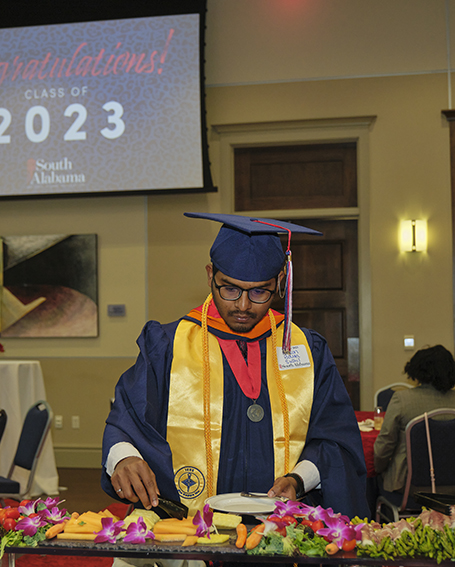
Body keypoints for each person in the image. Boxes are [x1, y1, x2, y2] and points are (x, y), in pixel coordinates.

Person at [101, 212, 369, 519]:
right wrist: (124, 457)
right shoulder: (167, 345)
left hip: (281, 526)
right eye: (229, 289)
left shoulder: (309, 350)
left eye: (259, 291)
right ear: (209, 275)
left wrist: (298, 479)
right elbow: (126, 420)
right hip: (191, 530)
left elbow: (334, 439)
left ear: (280, 282)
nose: (243, 305)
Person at [372, 344, 455, 493]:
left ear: (416, 370)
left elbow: (385, 444)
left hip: (411, 486)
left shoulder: (402, 399)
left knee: (373, 481)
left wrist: (378, 468)